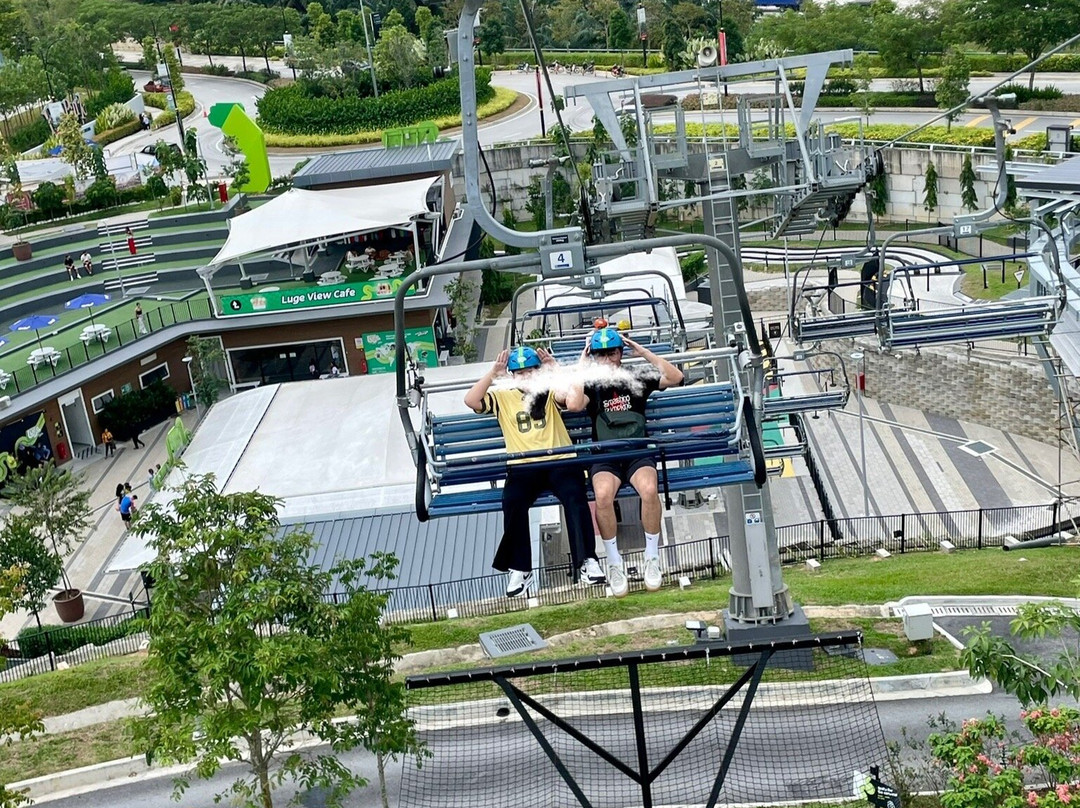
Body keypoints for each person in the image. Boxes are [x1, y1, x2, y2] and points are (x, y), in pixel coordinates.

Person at [464, 347, 605, 598]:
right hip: (523, 465)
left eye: (530, 372)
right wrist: (493, 373)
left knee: (575, 497)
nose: (525, 377)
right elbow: (471, 400)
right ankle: (520, 568)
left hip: (559, 459)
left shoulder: (549, 391)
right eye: (519, 373)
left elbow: (573, 402)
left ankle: (586, 560)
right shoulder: (502, 397)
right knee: (513, 502)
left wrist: (555, 369)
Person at [572, 327, 684, 597]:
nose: (607, 359)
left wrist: (644, 352)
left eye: (611, 352)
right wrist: (582, 363)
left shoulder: (637, 377)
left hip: (636, 451)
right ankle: (613, 561)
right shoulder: (591, 384)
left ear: (620, 353)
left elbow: (676, 377)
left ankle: (652, 556)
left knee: (648, 490)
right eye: (600, 354)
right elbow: (575, 404)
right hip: (606, 456)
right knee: (602, 496)